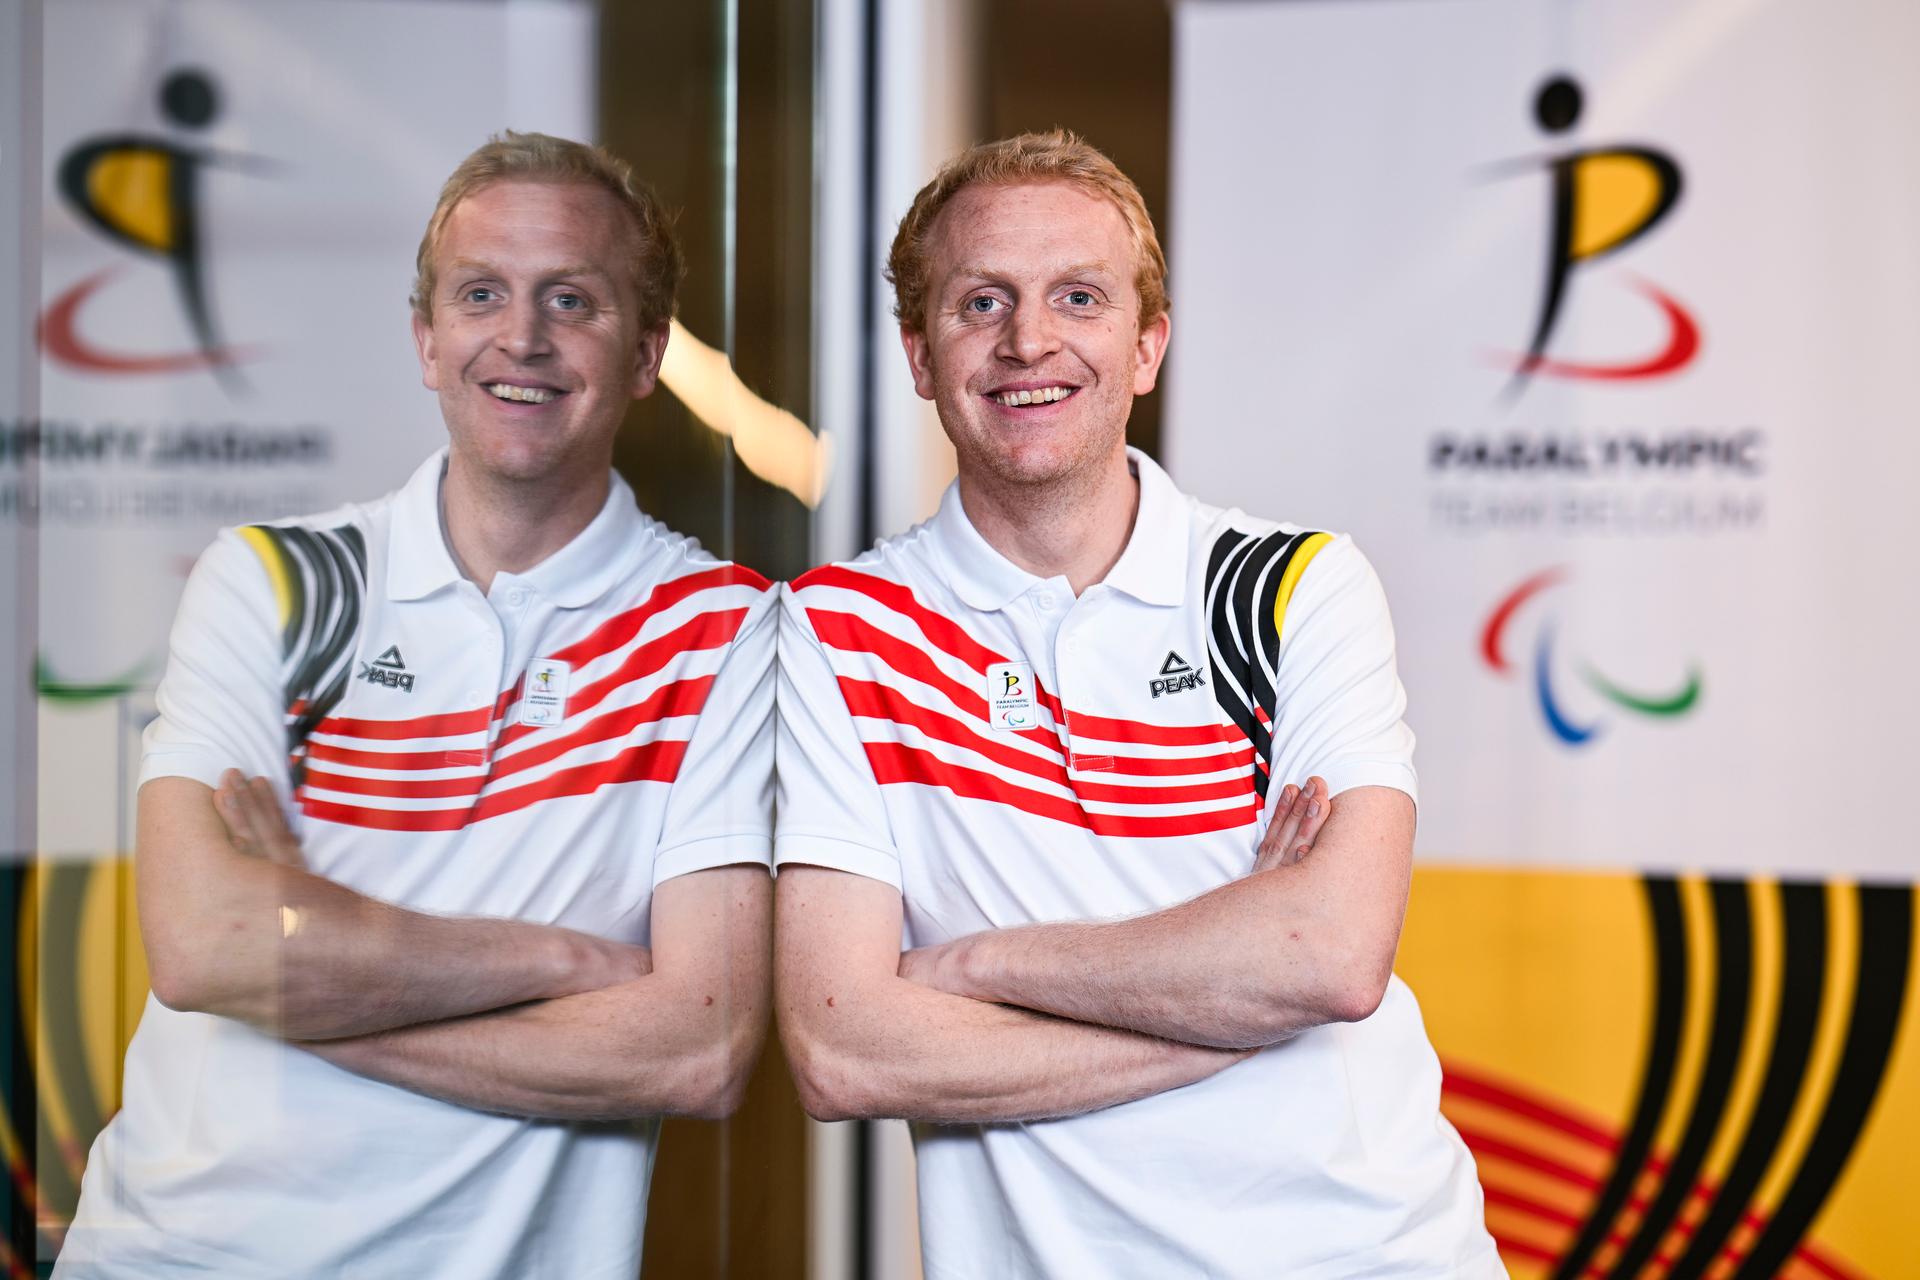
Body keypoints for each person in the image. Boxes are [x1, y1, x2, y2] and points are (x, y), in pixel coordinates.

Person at [774, 131, 1503, 1278]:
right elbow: (843, 1046)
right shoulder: (829, 634)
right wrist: (1227, 997)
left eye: (1079, 295)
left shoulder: (1291, 587)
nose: (1029, 340)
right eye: (980, 302)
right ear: (919, 354)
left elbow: (1329, 956)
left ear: (1147, 344)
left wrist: (976, 963)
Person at [57, 132, 775, 1279]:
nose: (522, 337)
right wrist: (571, 959)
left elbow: (697, 1043)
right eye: (481, 293)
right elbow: (204, 946)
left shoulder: (729, 631)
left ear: (646, 353)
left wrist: (316, 966)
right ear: (425, 339)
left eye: (572, 300)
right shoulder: (272, 580)